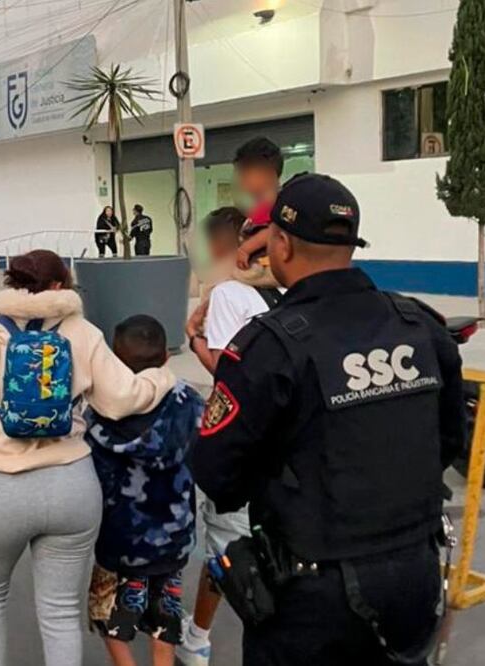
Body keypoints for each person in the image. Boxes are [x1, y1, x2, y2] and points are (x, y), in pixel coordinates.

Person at [190, 173, 465, 665]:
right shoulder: (418, 325)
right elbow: (448, 442)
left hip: (313, 593)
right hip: (413, 574)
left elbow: (217, 474)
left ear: (281, 244)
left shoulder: (269, 346)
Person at [0, 250, 177, 666]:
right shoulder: (82, 333)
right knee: (61, 612)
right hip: (70, 487)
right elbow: (121, 401)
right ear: (60, 286)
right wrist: (160, 377)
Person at [177, 208, 283, 666]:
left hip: (246, 440)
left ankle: (197, 639)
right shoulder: (279, 291)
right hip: (286, 440)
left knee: (225, 547)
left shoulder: (227, 294)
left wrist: (195, 342)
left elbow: (227, 372)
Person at [86, 314, 204, 666]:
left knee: (106, 611)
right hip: (173, 533)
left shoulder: (99, 410)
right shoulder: (190, 402)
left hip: (117, 537)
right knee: (166, 610)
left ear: (114, 360)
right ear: (166, 356)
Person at [232, 137, 284, 270]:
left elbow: (274, 231)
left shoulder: (275, 202)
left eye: (245, 175)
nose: (241, 181)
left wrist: (245, 250)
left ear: (267, 173)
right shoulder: (260, 206)